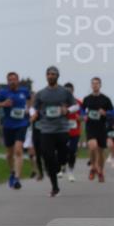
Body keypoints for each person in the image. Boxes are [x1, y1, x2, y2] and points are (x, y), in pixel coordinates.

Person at [34, 66, 79, 197]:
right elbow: (34, 107)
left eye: (53, 74)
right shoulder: (41, 93)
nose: (51, 76)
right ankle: (55, 186)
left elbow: (75, 105)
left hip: (62, 128)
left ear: (57, 76)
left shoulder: (64, 92)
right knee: (48, 157)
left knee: (62, 155)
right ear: (46, 76)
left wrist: (68, 110)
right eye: (48, 74)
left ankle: (60, 166)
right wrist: (33, 113)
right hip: (46, 129)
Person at [0, 72, 30, 190]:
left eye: (14, 79)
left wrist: (29, 109)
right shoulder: (3, 93)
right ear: (7, 81)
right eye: (10, 80)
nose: (12, 81)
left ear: (18, 80)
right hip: (8, 125)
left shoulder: (24, 91)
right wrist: (3, 103)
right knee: (9, 154)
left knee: (18, 150)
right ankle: (12, 172)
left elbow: (30, 99)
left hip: (21, 124)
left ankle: (17, 178)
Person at [82, 77, 112, 182]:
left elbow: (112, 112)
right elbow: (82, 109)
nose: (95, 85)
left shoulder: (106, 99)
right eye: (93, 83)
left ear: (100, 85)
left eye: (97, 83)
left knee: (101, 151)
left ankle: (100, 171)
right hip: (90, 126)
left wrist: (106, 113)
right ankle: (93, 167)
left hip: (102, 127)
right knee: (92, 146)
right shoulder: (87, 99)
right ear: (91, 85)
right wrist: (84, 115)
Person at [62, 82, 82, 182]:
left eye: (70, 91)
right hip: (62, 131)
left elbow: (84, 116)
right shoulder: (60, 103)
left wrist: (80, 118)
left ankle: (70, 170)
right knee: (62, 150)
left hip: (75, 131)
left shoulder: (78, 102)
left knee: (72, 151)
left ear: (73, 91)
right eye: (66, 91)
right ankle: (62, 166)